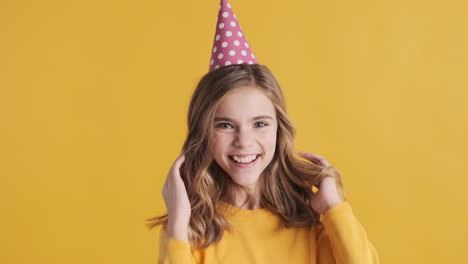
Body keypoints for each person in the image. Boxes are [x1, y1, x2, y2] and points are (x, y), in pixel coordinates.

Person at [146, 1, 379, 263]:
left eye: (260, 124)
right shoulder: (192, 227)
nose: (244, 142)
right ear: (203, 133)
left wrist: (334, 208)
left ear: (280, 129)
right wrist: (178, 222)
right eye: (225, 125)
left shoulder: (312, 218)